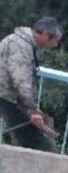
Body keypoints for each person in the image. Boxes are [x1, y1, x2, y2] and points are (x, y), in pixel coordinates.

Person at [0, 17, 63, 153]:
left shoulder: (22, 43)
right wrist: (32, 110)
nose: (55, 45)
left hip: (8, 96)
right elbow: (21, 80)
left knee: (34, 137)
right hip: (5, 97)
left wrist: (33, 109)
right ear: (45, 34)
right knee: (39, 144)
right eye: (55, 40)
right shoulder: (20, 46)